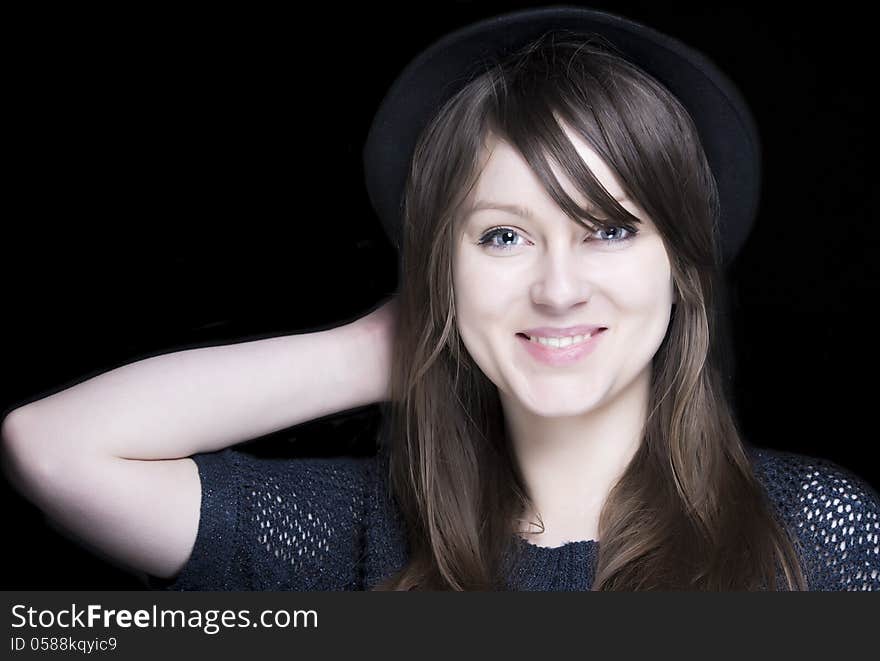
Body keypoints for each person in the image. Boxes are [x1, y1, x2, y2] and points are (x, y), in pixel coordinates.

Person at [2, 6, 878, 591]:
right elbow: (52, 447)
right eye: (503, 236)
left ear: (681, 265)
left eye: (609, 229)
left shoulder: (818, 533)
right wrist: (391, 342)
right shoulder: (354, 539)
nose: (559, 287)